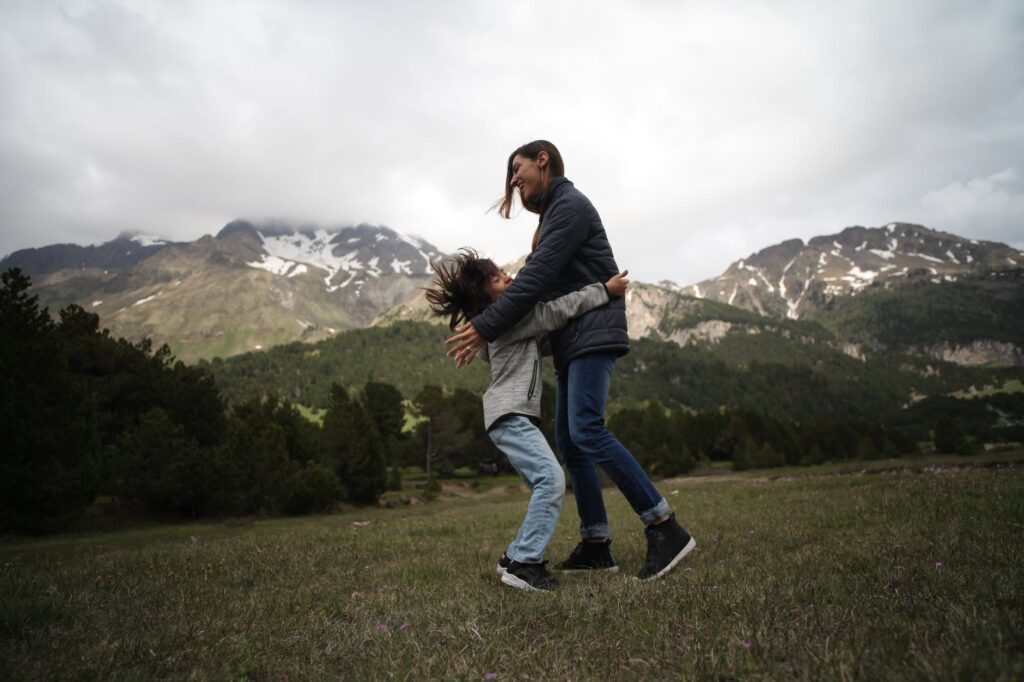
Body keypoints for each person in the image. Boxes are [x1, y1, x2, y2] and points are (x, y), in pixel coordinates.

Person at [445, 140, 696, 580]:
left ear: (543, 160)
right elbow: (536, 298)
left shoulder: (569, 206)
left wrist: (486, 325)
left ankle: (664, 526)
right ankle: (597, 542)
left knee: (585, 429)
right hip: (573, 336)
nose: (514, 181)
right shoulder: (551, 217)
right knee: (569, 438)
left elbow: (536, 285)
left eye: (517, 169)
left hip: (592, 326)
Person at [425, 248, 629, 592]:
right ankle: (524, 563)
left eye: (501, 271)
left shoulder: (504, 325)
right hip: (510, 415)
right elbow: (555, 312)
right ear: (484, 297)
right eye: (495, 278)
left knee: (545, 481)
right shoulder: (510, 320)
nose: (506, 276)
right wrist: (604, 291)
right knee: (551, 480)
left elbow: (543, 337)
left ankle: (514, 557)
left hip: (508, 417)